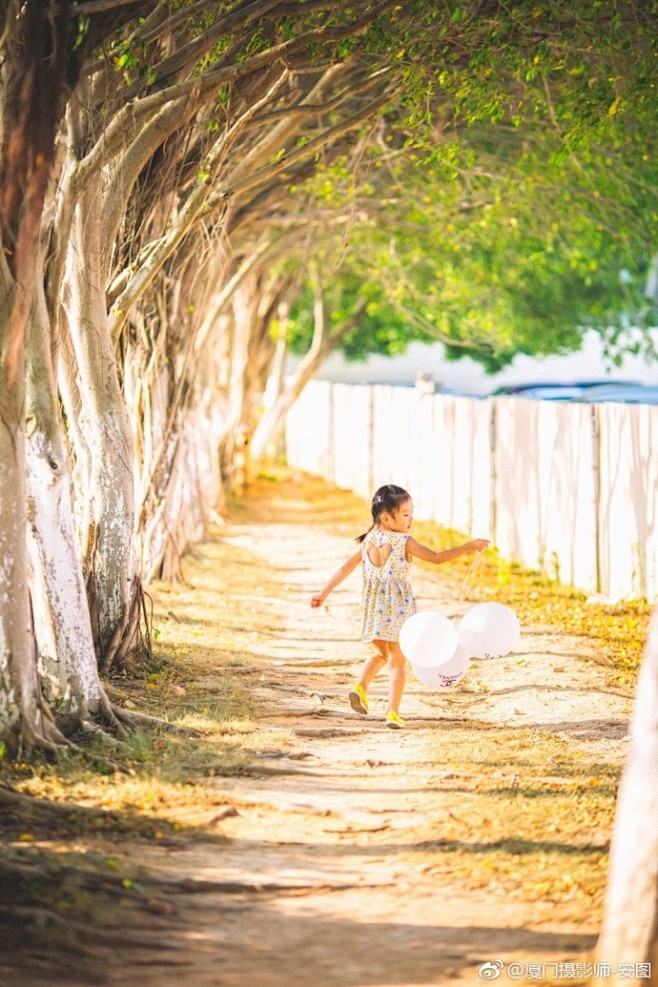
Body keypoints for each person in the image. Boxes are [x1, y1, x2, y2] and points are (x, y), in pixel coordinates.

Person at [311, 483, 489, 729]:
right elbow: (437, 557)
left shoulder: (368, 541)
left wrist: (323, 593)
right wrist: (470, 546)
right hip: (398, 609)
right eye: (406, 514)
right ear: (386, 517)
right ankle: (392, 713)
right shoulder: (403, 541)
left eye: (411, 513)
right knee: (398, 661)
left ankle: (360, 686)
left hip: (372, 608)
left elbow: (345, 568)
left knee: (380, 654)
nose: (411, 519)